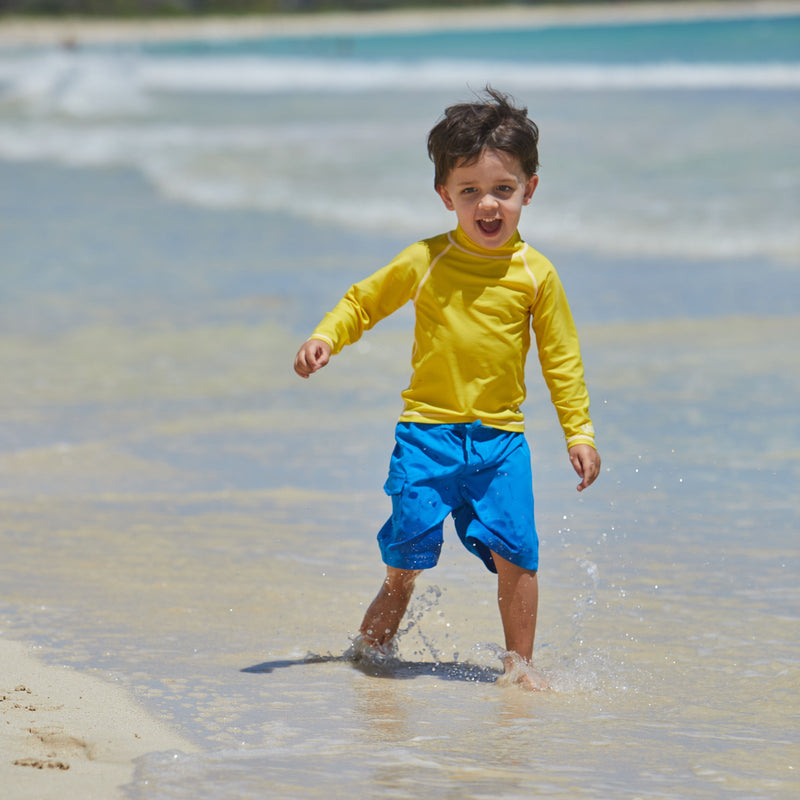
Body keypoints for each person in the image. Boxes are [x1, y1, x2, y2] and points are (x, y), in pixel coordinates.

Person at [293, 88, 600, 689]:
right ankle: (370, 655)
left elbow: (562, 359)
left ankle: (520, 669)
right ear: (445, 195)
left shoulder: (536, 275)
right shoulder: (427, 259)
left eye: (503, 190)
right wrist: (327, 337)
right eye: (470, 192)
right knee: (404, 558)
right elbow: (365, 300)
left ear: (529, 189)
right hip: (425, 438)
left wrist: (579, 432)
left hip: (500, 442)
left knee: (518, 553)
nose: (488, 205)